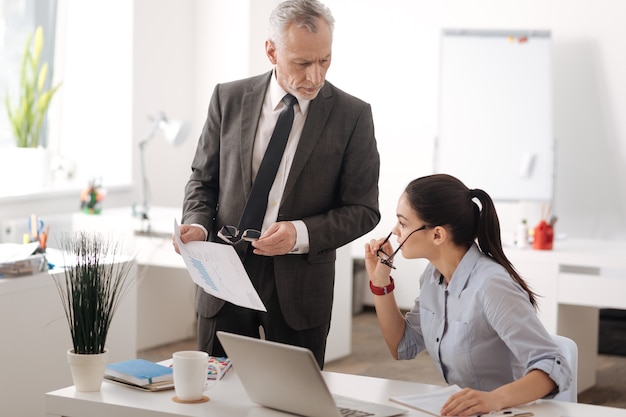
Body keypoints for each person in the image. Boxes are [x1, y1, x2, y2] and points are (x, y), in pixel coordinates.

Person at [175, 0, 380, 368]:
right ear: (271, 51)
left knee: (293, 398)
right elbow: (203, 181)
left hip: (300, 284)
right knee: (214, 397)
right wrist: (198, 224)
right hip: (224, 277)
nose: (315, 76)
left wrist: (299, 233)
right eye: (302, 62)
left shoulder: (353, 116)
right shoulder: (229, 98)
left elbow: (363, 210)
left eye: (325, 60)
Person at [364, 174, 572, 416]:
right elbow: (402, 346)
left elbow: (554, 366)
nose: (395, 230)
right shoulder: (433, 276)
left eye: (403, 223)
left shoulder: (491, 286)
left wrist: (494, 400)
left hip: (509, 410)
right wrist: (380, 282)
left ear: (437, 235)